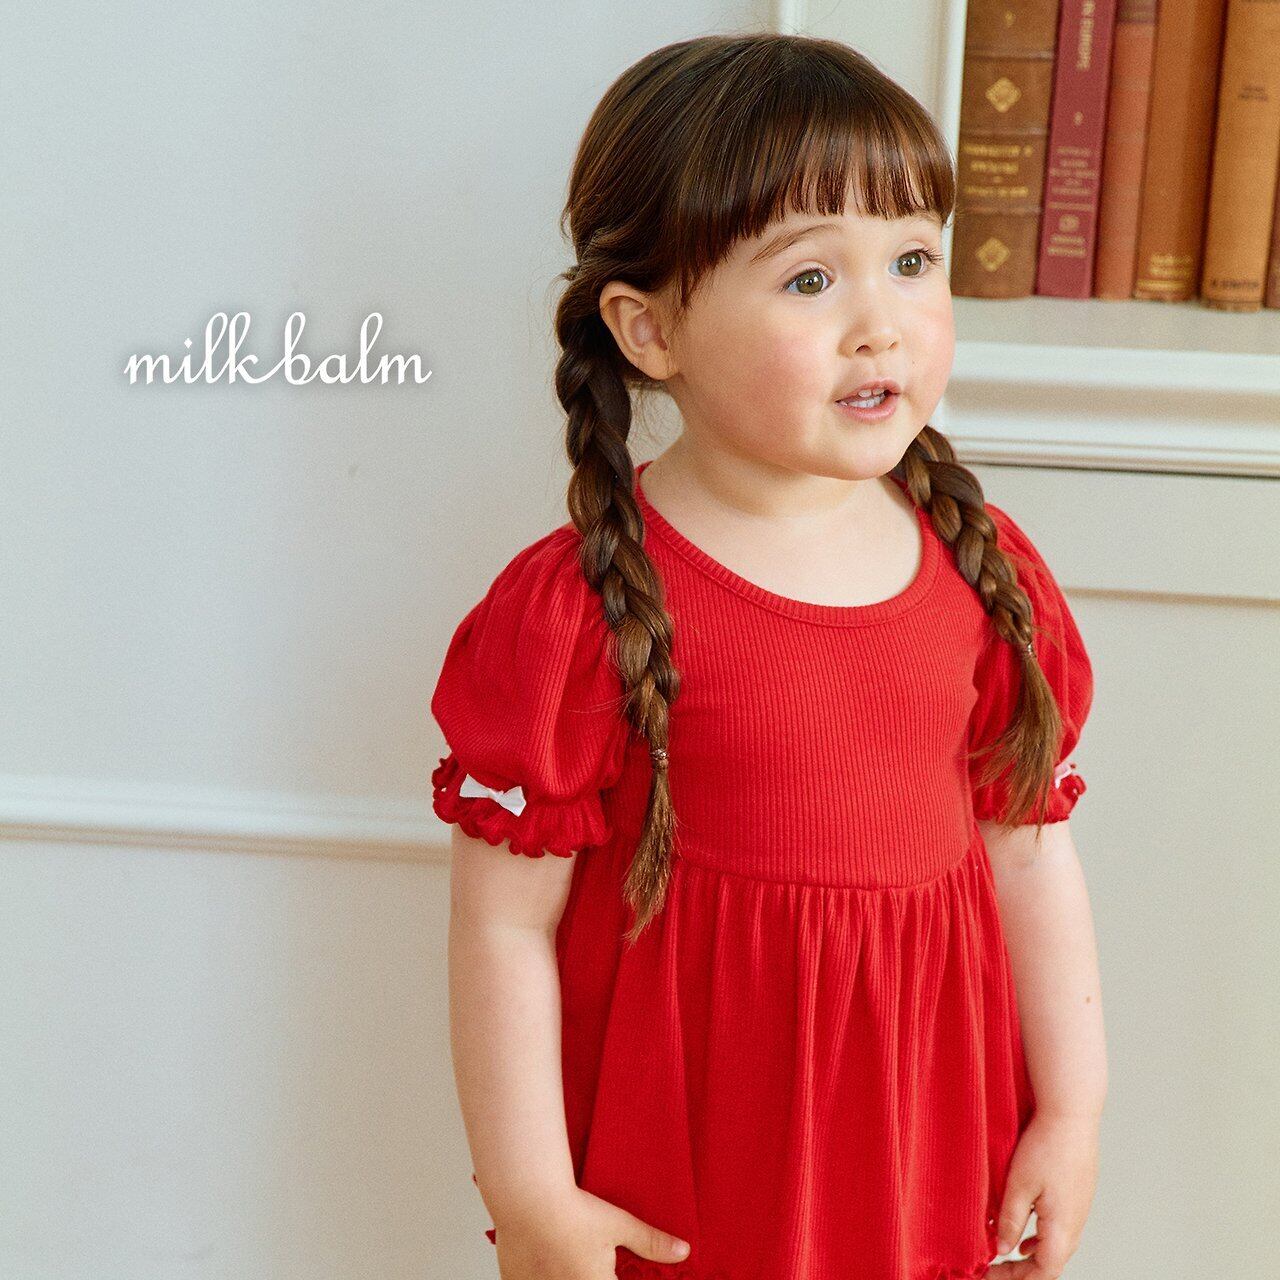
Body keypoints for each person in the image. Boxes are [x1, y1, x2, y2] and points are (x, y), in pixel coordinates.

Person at [432, 32, 1106, 1280]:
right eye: (808, 279)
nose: (880, 326)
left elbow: (1026, 853)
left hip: (919, 1146)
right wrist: (528, 1195)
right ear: (649, 329)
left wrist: (1070, 1108)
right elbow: (502, 927)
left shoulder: (983, 573)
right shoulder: (580, 609)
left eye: (911, 262)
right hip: (694, 1170)